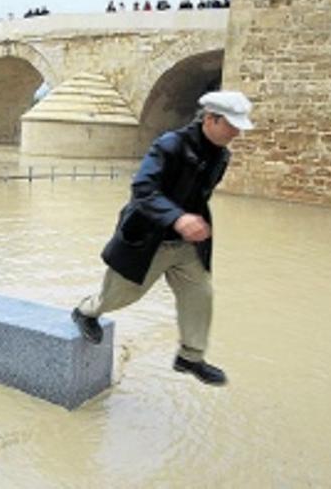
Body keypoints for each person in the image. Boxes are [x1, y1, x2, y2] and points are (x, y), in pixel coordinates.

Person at [71, 90, 254, 386]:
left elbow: (199, 195)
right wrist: (178, 218)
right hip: (147, 240)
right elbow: (143, 190)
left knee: (201, 295)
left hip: (187, 244)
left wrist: (192, 225)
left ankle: (190, 357)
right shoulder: (169, 145)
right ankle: (85, 312)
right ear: (210, 119)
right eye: (231, 125)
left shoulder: (222, 155)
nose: (236, 133)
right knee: (121, 296)